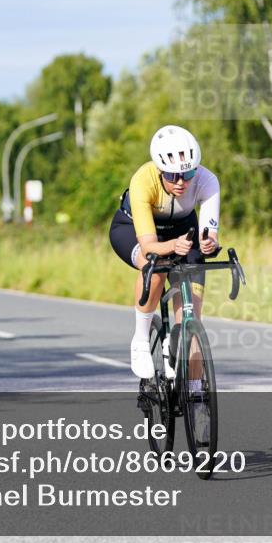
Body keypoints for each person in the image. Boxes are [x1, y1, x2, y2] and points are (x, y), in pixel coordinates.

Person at [108, 125, 220, 380]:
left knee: (192, 319)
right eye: (172, 176)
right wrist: (171, 246)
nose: (181, 182)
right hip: (132, 229)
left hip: (182, 229)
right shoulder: (142, 180)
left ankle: (194, 391)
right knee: (156, 266)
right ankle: (140, 340)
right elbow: (149, 245)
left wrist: (209, 243)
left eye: (188, 174)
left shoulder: (208, 180)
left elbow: (210, 232)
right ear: (160, 170)